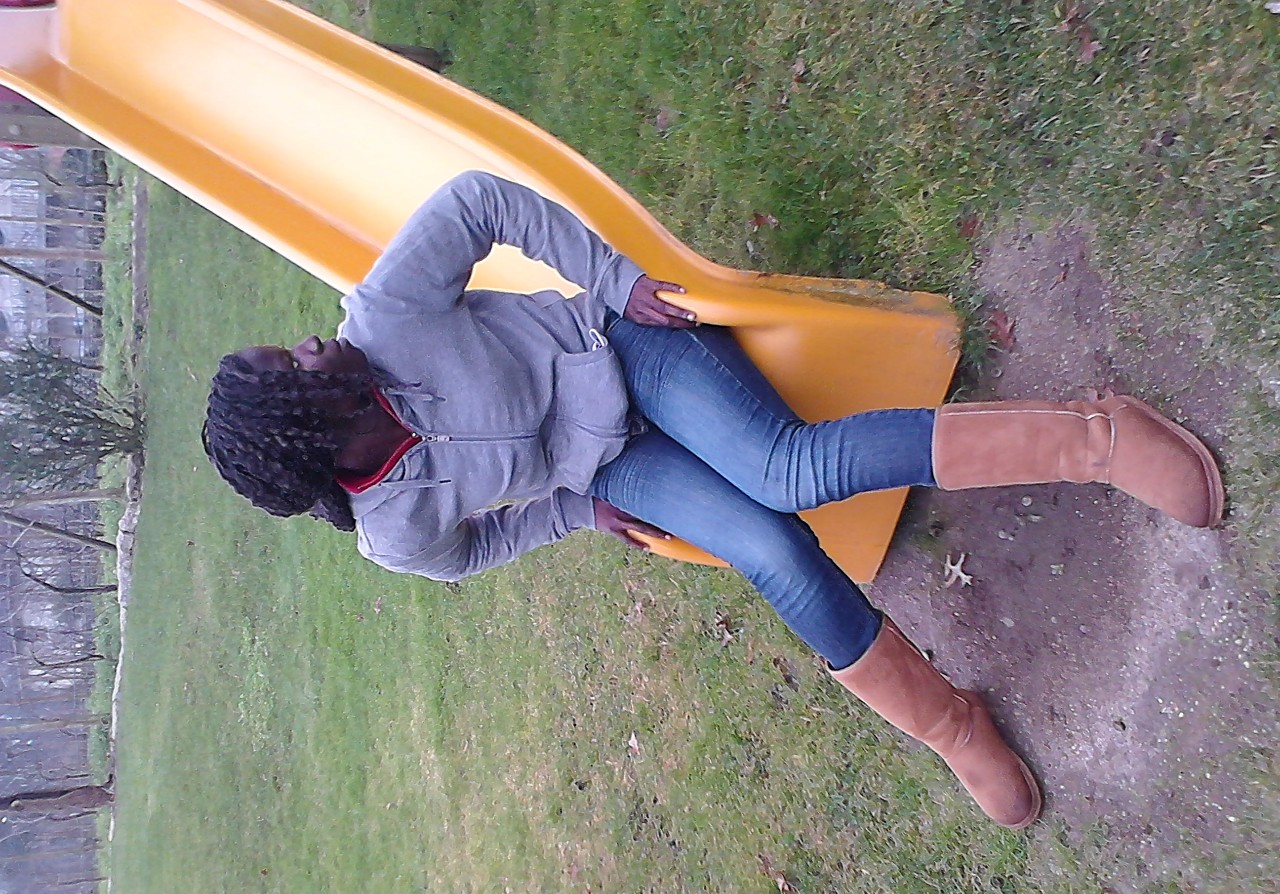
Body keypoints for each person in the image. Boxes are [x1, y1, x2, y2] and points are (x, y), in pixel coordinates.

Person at [202, 171, 1223, 830]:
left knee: (786, 471)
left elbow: (478, 201)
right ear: (307, 428)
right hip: (610, 465)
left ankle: (1097, 437)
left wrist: (611, 280)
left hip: (620, 348)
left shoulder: (384, 315)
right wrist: (575, 511)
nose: (309, 340)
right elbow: (465, 553)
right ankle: (953, 728)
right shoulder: (393, 529)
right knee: (771, 552)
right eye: (290, 363)